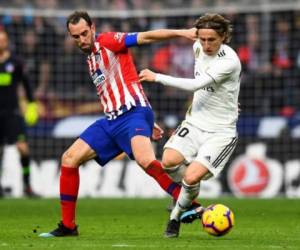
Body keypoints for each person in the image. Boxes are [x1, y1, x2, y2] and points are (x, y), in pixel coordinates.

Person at [39, 11, 200, 238]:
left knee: (146, 160)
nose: (82, 39)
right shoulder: (91, 58)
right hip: (112, 120)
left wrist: (181, 33)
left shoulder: (108, 41)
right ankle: (68, 226)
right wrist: (148, 123)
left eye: (85, 33)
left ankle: (189, 201)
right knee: (69, 159)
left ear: (93, 28)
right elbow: (119, 84)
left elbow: (146, 37)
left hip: (133, 114)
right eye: (76, 37)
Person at [139, 13, 241, 238]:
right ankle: (190, 201)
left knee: (191, 177)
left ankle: (174, 218)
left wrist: (157, 77)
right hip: (195, 122)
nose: (206, 45)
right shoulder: (197, 47)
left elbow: (197, 84)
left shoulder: (229, 60)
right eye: (202, 39)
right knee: (168, 162)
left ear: (223, 37)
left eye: (211, 40)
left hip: (220, 132)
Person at [0, 29, 39, 197]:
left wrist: (31, 105)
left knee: (23, 148)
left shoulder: (16, 62)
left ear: (7, 41)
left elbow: (27, 85)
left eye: (3, 39)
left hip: (13, 113)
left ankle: (27, 185)